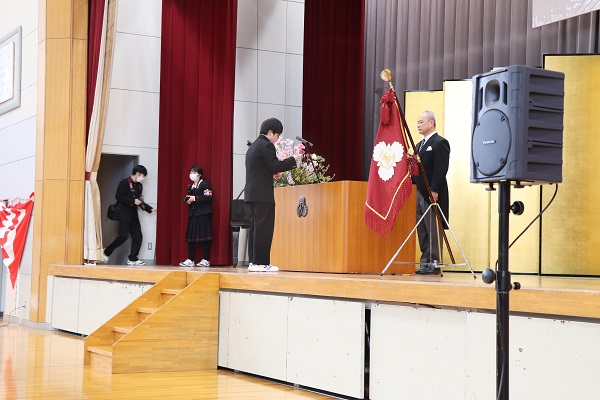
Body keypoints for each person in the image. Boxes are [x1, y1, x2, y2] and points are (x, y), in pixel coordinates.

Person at [244, 118, 301, 272]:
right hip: (263, 195)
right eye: (277, 135)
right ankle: (262, 263)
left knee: (255, 228)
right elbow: (275, 166)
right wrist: (293, 160)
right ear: (270, 132)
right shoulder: (266, 145)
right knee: (264, 229)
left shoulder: (253, 146)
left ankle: (254, 262)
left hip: (252, 194)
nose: (277, 139)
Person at [412, 110, 450, 275]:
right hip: (418, 191)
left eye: (421, 122)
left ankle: (434, 264)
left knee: (433, 228)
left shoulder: (440, 142)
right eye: (418, 122)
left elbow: (441, 169)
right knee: (422, 229)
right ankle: (425, 262)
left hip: (431, 193)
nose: (418, 125)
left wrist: (434, 190)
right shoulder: (418, 145)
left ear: (431, 123)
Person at [103, 165, 156, 265]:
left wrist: (150, 209)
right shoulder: (124, 183)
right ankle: (106, 251)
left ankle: (132, 258)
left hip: (133, 213)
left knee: (138, 236)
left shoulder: (139, 186)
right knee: (123, 235)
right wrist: (132, 201)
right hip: (123, 212)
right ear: (138, 173)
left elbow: (139, 200)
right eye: (142, 175)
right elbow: (119, 197)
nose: (143, 178)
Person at [179, 166, 213, 267]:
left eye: (194, 172)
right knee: (191, 237)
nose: (192, 174)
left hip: (203, 214)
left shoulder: (205, 184)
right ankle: (190, 259)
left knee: (203, 237)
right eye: (191, 172)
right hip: (193, 213)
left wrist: (195, 198)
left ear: (200, 174)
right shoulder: (191, 186)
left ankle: (206, 259)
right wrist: (189, 200)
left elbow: (208, 197)